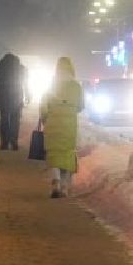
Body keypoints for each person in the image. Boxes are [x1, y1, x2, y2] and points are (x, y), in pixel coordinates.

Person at [38, 57, 85, 198]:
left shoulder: (52, 85)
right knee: (67, 153)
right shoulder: (76, 86)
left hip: (53, 123)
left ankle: (56, 180)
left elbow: (43, 106)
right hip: (69, 125)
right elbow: (81, 106)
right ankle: (64, 186)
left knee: (54, 153)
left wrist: (45, 118)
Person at [0, 53, 29, 151]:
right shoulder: (20, 68)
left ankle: (4, 143)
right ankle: (14, 142)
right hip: (17, 97)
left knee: (4, 120)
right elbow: (26, 83)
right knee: (15, 120)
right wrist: (28, 95)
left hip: (3, 97)